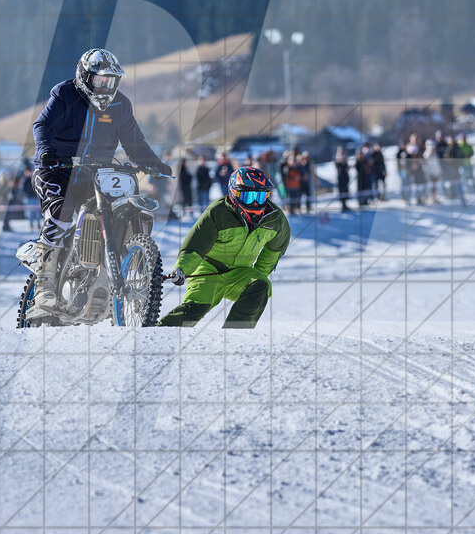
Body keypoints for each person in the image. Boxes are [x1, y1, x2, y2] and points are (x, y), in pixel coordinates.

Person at [26, 48, 170, 318]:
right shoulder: (65, 94)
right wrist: (46, 151)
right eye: (100, 80)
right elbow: (43, 125)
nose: (105, 86)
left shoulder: (120, 105)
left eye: (111, 81)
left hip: (97, 174)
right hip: (57, 169)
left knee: (122, 204)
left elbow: (134, 142)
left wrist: (153, 162)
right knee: (62, 208)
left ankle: (130, 268)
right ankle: (45, 284)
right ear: (85, 77)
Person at [158, 167, 290, 329]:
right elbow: (195, 245)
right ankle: (157, 333)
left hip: (240, 273)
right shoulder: (218, 212)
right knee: (195, 310)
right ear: (234, 194)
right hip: (209, 269)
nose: (255, 202)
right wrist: (182, 269)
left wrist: (256, 280)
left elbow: (273, 252)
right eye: (249, 196)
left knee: (261, 285)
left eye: (261, 196)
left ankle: (235, 336)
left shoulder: (275, 220)